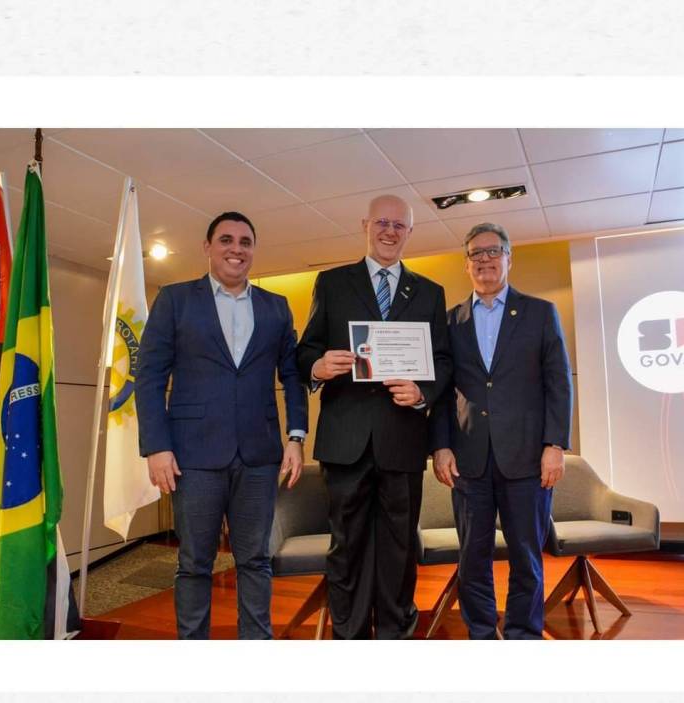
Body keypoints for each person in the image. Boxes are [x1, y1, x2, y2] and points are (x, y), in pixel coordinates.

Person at [136, 211, 308, 640]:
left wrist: (296, 436)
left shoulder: (276, 307)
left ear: (253, 250)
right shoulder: (175, 300)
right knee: (195, 562)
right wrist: (156, 446)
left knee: (256, 560)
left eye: (245, 242)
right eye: (226, 240)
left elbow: (292, 375)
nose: (236, 249)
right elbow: (150, 376)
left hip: (259, 456)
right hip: (192, 456)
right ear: (207, 248)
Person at [297, 194, 452, 639]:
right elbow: (306, 349)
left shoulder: (429, 292)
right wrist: (317, 366)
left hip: (403, 440)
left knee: (400, 548)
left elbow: (443, 360)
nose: (389, 231)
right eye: (382, 222)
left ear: (410, 232)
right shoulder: (332, 283)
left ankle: (395, 637)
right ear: (365, 225)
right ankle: (350, 640)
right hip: (345, 441)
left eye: (399, 225)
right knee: (346, 548)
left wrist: (422, 392)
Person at [430, 222, 572, 640]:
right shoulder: (450, 321)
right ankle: (481, 634)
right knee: (472, 558)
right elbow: (441, 391)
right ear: (466, 264)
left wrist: (555, 444)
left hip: (527, 460)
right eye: (476, 253)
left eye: (493, 251)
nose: (485, 260)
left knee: (526, 557)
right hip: (468, 462)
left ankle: (522, 634)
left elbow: (558, 383)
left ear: (509, 258)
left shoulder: (540, 313)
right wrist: (440, 446)